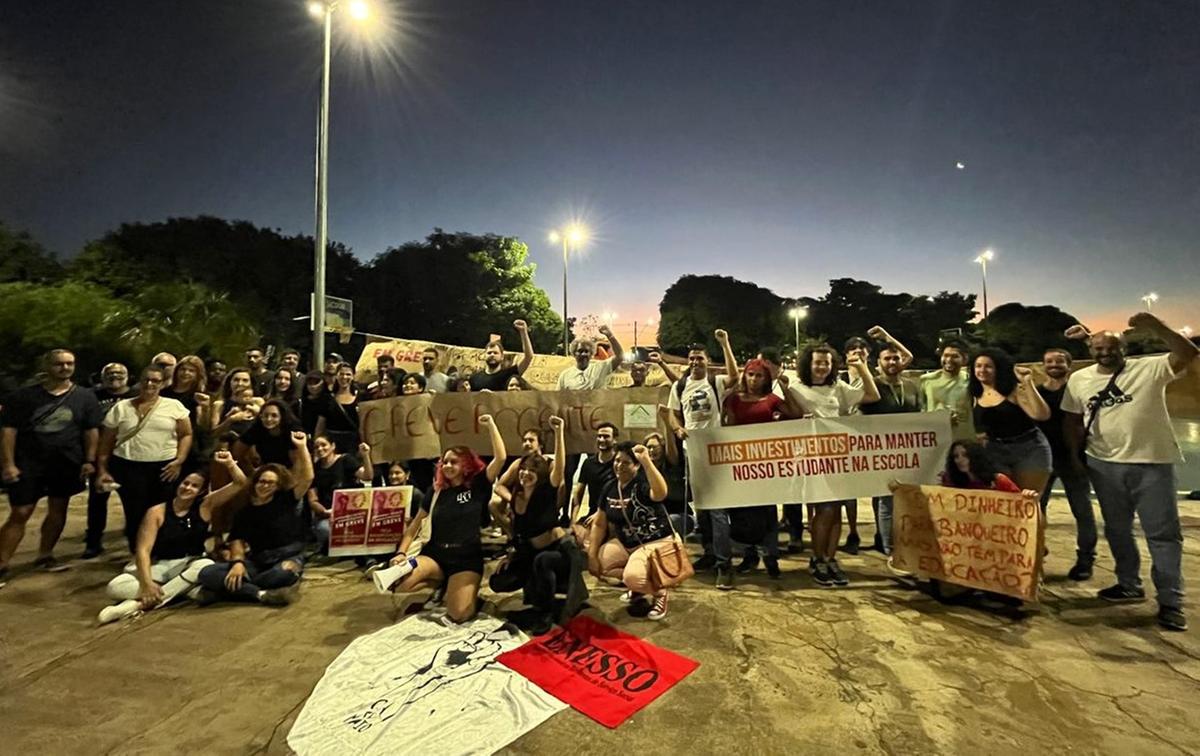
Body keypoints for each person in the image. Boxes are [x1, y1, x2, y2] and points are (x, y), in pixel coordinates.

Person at [1062, 314, 1198, 632]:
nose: (1104, 352)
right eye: (1097, 347)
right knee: (1118, 529)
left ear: (1124, 348)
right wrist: (1075, 457)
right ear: (1090, 349)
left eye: (1111, 347)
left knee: (1163, 535)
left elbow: (1189, 354)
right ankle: (1128, 584)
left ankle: (1171, 602)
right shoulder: (1079, 379)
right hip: (1103, 464)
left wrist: (1158, 327)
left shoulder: (1148, 368)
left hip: (1151, 463)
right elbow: (1071, 419)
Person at [97, 450, 247, 624]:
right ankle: (179, 591)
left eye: (194, 486)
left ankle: (133, 606)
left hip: (190, 563)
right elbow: (143, 550)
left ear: (200, 491)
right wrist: (146, 584)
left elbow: (240, 483)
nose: (187, 488)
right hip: (160, 565)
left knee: (204, 566)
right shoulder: (157, 512)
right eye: (186, 483)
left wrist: (229, 463)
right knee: (115, 587)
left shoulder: (205, 506)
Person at [389, 414, 507, 623]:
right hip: (435, 555)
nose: (448, 466)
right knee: (399, 582)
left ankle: (461, 590)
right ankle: (441, 582)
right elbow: (414, 526)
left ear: (466, 465)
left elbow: (501, 457)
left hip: (465, 557)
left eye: (454, 462)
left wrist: (490, 425)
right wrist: (401, 553)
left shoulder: (478, 485)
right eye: (444, 462)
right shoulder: (435, 491)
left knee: (459, 614)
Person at [0, 349, 104, 579]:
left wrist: (89, 460)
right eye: (59, 364)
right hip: (28, 463)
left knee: (59, 509)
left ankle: (45, 556)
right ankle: (2, 563)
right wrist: (8, 464)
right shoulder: (23, 397)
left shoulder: (85, 397)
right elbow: (8, 432)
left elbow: (91, 431)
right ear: (47, 366)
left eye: (69, 364)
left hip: (66, 463)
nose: (65, 368)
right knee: (20, 512)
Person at [789, 343, 880, 587]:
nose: (821, 367)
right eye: (817, 362)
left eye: (826, 363)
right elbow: (785, 416)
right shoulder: (796, 388)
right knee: (824, 510)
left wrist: (862, 368)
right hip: (812, 459)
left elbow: (873, 396)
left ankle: (830, 559)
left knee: (836, 509)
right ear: (808, 363)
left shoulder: (838, 387)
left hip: (839, 459)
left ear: (833, 366)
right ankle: (817, 558)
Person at [196, 431, 314, 605]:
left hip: (287, 556)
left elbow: (307, 477)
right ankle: (259, 594)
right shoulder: (245, 511)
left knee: (283, 574)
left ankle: (231, 591)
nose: (264, 485)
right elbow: (236, 540)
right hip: (257, 560)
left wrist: (302, 446)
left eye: (270, 483)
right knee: (207, 573)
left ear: (278, 485)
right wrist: (237, 563)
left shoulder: (287, 500)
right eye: (261, 481)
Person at [492, 417, 587, 633]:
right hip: (529, 550)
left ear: (540, 474)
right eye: (523, 470)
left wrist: (560, 430)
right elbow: (519, 530)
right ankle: (536, 593)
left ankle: (546, 612)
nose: (525, 474)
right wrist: (511, 554)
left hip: (558, 551)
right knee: (499, 581)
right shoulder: (516, 495)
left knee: (543, 562)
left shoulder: (546, 491)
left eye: (530, 471)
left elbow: (560, 467)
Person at [667, 331, 739, 589]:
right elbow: (673, 415)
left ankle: (724, 564)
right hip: (692, 453)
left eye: (699, 358)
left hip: (716, 453)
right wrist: (677, 429)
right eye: (691, 358)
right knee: (702, 509)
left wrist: (725, 343)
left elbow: (734, 377)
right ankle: (709, 553)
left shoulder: (714, 381)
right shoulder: (680, 386)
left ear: (707, 361)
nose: (695, 362)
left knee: (718, 510)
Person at [721, 354, 804, 578]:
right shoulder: (733, 400)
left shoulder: (772, 399)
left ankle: (771, 557)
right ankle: (750, 556)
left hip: (766, 467)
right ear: (744, 375)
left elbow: (796, 415)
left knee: (768, 513)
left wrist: (786, 389)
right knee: (744, 513)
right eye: (750, 374)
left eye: (759, 376)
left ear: (766, 378)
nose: (754, 379)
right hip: (741, 464)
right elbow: (725, 427)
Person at [96, 365, 193, 553]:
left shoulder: (174, 406)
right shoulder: (121, 408)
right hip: (128, 467)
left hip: (164, 468)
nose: (150, 384)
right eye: (146, 380)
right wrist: (102, 469)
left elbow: (186, 434)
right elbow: (106, 442)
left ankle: (161, 551)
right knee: (134, 512)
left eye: (156, 380)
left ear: (163, 383)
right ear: (139, 382)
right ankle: (137, 552)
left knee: (161, 510)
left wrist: (179, 460)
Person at [587, 441, 676, 620]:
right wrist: (592, 554)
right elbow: (599, 523)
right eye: (617, 461)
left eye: (626, 462)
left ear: (636, 465)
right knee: (601, 565)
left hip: (655, 542)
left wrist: (646, 461)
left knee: (633, 577)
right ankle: (638, 588)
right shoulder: (610, 487)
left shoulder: (642, 483)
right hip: (627, 543)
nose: (619, 466)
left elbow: (660, 493)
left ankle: (660, 592)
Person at [1036, 347, 1097, 581]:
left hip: (1074, 459)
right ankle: (1035, 552)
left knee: (1082, 510)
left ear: (1069, 365)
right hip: (1042, 459)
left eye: (1059, 361)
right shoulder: (1037, 392)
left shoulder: (1080, 391)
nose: (1054, 365)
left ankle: (1086, 559)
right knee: (1036, 511)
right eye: (1049, 361)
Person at [859, 337, 921, 557]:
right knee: (885, 498)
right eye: (887, 358)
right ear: (879, 363)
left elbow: (922, 416)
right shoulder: (873, 385)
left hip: (910, 451)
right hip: (881, 450)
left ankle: (898, 540)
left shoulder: (913, 386)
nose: (892, 362)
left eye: (896, 358)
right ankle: (890, 549)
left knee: (905, 497)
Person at [969, 348, 1052, 496]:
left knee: (1028, 501)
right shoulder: (975, 394)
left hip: (1029, 449)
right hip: (995, 451)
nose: (982, 370)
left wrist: (1028, 383)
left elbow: (1041, 415)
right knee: (1005, 501)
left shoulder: (1013, 390)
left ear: (998, 368)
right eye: (978, 366)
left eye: (988, 366)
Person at [83, 362, 137, 559]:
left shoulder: (137, 394)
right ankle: (93, 542)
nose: (115, 375)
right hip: (101, 454)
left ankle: (134, 542)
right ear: (102, 377)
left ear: (128, 376)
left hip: (129, 455)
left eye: (120, 372)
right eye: (110, 373)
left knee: (131, 502)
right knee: (97, 501)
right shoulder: (91, 396)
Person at [308, 437, 374, 549]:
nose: (320, 449)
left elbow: (367, 476)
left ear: (333, 446)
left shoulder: (346, 460)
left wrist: (365, 455)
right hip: (330, 515)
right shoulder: (314, 469)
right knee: (323, 529)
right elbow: (312, 499)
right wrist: (325, 512)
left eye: (324, 445)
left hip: (354, 512)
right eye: (316, 447)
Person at [568, 423, 618, 548]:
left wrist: (599, 514)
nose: (601, 440)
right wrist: (573, 522)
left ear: (615, 439)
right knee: (570, 541)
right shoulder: (589, 464)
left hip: (613, 515)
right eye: (599, 436)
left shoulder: (619, 463)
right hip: (591, 515)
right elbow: (577, 495)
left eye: (606, 436)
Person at [920, 340, 975, 441]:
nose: (949, 360)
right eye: (945, 355)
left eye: (955, 356)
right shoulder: (926, 380)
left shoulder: (970, 380)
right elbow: (921, 410)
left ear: (965, 359)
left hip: (963, 438)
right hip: (935, 437)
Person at [468, 321, 534, 392]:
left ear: (502, 356)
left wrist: (523, 332)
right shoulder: (474, 379)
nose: (492, 355)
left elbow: (528, 357)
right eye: (489, 353)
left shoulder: (509, 374)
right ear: (484, 356)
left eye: (495, 353)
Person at [233, 400, 302, 468]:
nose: (269, 419)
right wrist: (251, 473)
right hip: (267, 471)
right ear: (261, 416)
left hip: (290, 472)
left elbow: (298, 465)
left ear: (282, 417)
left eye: (274, 416)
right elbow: (237, 452)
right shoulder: (257, 428)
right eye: (266, 415)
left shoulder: (293, 432)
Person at [557, 323, 624, 391]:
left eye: (586, 351)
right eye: (580, 351)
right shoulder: (565, 375)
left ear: (591, 354)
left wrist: (610, 335)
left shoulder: (601, 368)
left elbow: (620, 356)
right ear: (574, 353)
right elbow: (558, 398)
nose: (583, 354)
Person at [314, 362, 360, 452]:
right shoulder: (327, 399)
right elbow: (320, 427)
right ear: (336, 376)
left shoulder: (360, 398)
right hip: (331, 444)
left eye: (348, 374)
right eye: (341, 374)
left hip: (353, 444)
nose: (344, 377)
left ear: (353, 376)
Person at [160, 355, 207, 420]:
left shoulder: (199, 396)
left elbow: (201, 423)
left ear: (198, 374)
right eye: (183, 369)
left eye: (191, 371)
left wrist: (205, 408)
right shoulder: (164, 392)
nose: (186, 373)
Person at [299, 370, 327, 436]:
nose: (313, 386)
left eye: (316, 382)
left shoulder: (328, 402)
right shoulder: (301, 402)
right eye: (310, 383)